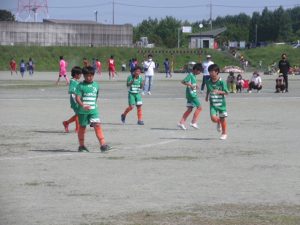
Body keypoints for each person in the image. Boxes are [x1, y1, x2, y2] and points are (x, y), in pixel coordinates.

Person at [75, 66, 112, 152]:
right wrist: (83, 105)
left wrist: (94, 105)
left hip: (93, 110)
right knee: (82, 127)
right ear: (83, 76)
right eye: (87, 76)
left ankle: (103, 145)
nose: (89, 77)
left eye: (91, 75)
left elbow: (96, 96)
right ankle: (81, 146)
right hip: (83, 111)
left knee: (97, 125)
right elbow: (77, 98)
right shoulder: (80, 86)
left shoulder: (96, 85)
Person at [205, 64, 229, 140]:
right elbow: (208, 89)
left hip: (221, 104)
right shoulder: (208, 81)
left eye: (212, 72)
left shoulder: (222, 82)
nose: (210, 73)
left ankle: (224, 133)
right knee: (213, 119)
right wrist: (206, 96)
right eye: (209, 72)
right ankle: (218, 122)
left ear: (217, 72)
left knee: (223, 118)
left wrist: (218, 91)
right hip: (213, 104)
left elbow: (226, 92)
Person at [177, 63, 203, 130]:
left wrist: (195, 85)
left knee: (189, 109)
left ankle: (181, 122)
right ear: (195, 70)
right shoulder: (190, 75)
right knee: (199, 108)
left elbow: (191, 83)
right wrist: (191, 85)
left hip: (190, 94)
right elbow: (183, 81)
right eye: (199, 71)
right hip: (192, 95)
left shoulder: (194, 76)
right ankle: (193, 122)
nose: (200, 72)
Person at [62, 66, 82, 133]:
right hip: (74, 99)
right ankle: (77, 129)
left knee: (78, 114)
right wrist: (76, 93)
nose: (81, 75)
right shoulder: (73, 81)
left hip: (77, 99)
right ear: (76, 74)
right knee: (78, 114)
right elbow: (70, 90)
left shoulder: (76, 81)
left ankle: (66, 123)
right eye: (80, 74)